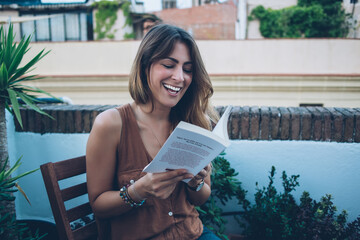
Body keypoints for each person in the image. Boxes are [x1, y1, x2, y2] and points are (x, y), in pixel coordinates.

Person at [86, 24, 220, 240]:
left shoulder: (193, 121)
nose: (180, 77)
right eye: (169, 65)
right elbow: (99, 206)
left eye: (187, 69)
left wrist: (196, 184)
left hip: (193, 233)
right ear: (145, 65)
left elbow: (202, 196)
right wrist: (138, 191)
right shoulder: (111, 124)